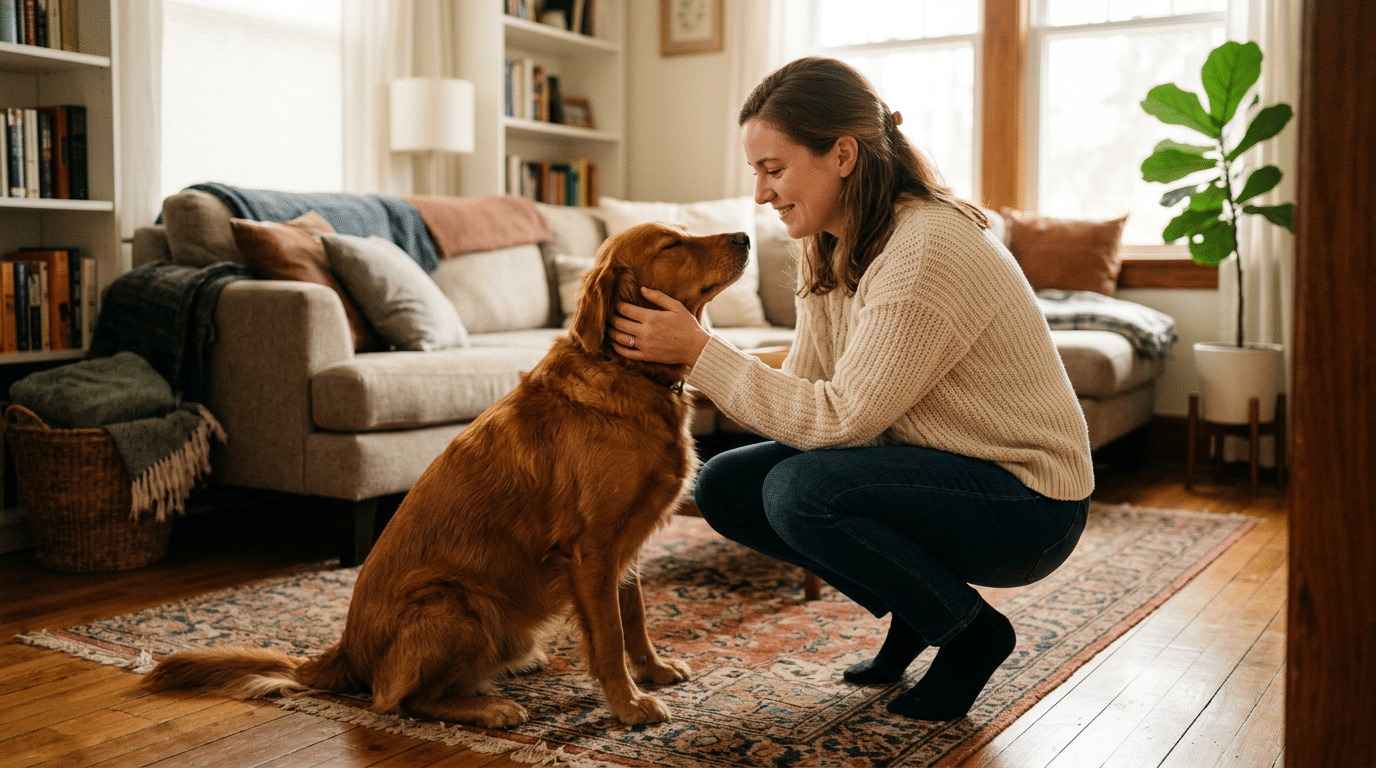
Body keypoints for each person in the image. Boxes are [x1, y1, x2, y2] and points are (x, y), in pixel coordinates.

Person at [608, 57, 1094, 722]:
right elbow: (805, 396)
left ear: (841, 154)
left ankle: (972, 633)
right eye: (756, 171)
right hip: (943, 473)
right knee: (728, 486)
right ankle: (921, 611)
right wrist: (705, 355)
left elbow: (839, 421)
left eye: (773, 169)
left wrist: (700, 354)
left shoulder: (925, 247)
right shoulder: (829, 245)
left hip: (1030, 504)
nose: (759, 194)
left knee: (800, 491)